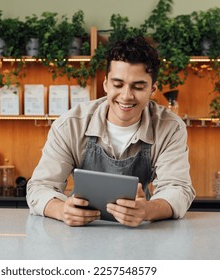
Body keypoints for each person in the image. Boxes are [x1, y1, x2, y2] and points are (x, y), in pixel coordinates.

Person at [26, 36, 195, 227]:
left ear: (153, 89)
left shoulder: (170, 127)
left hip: (140, 232)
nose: (126, 96)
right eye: (118, 85)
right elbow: (40, 187)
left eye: (138, 87)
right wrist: (61, 210)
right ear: (105, 84)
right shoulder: (71, 124)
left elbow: (178, 189)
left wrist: (147, 210)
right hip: (80, 233)